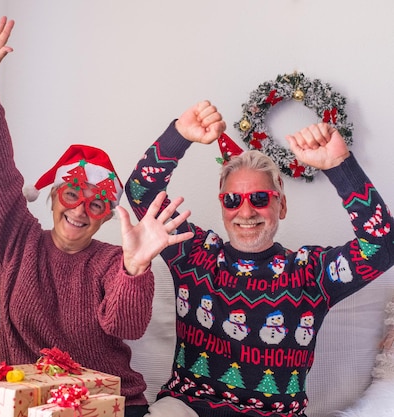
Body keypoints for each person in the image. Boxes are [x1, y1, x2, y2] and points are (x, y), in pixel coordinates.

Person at [0, 17, 193, 417]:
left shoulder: (110, 260)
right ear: (54, 198)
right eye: (72, 194)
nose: (78, 210)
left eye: (95, 203)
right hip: (31, 402)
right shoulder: (17, 242)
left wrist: (134, 266)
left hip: (110, 404)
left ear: (108, 216)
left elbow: (126, 327)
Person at [126, 100, 394, 417]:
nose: (246, 211)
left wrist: (339, 164)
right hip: (187, 407)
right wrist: (179, 134)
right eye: (232, 200)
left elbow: (382, 245)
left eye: (259, 198)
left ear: (280, 206)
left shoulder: (311, 272)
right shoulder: (194, 253)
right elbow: (141, 190)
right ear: (223, 206)